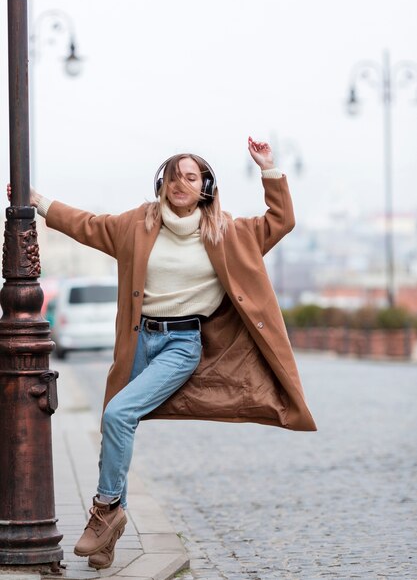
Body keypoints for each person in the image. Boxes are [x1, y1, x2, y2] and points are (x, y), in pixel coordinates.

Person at [10, 136, 316, 570]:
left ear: (205, 186)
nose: (181, 183)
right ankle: (106, 540)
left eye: (191, 176)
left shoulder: (228, 232)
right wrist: (39, 201)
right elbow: (88, 224)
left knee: (119, 415)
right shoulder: (137, 224)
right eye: (174, 176)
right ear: (162, 183)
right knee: (116, 426)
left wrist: (268, 168)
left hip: (180, 344)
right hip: (138, 339)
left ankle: (105, 511)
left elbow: (280, 221)